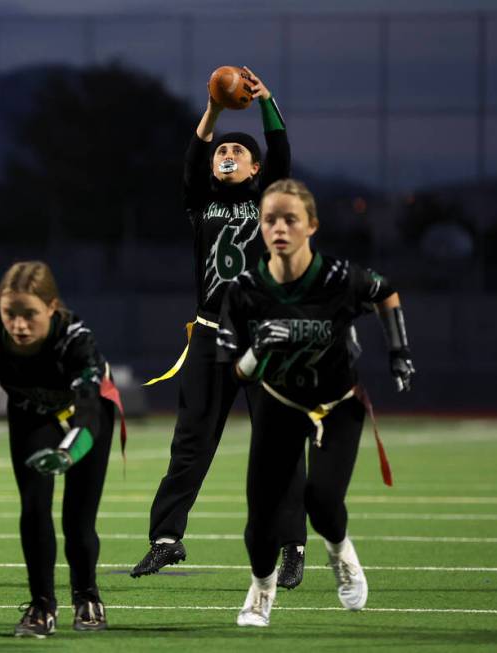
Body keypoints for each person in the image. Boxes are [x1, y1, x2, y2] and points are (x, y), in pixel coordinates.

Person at [132, 66, 308, 589]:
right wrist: (212, 108)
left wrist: (266, 101)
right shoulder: (201, 203)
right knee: (190, 440)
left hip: (264, 336)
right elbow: (191, 161)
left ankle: (292, 545)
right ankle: (165, 539)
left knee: (278, 443)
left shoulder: (267, 200)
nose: (224, 156)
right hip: (210, 335)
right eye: (219, 153)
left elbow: (281, 151)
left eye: (236, 153)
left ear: (256, 170)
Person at [217, 178, 415, 626]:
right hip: (277, 402)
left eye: (291, 219)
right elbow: (234, 371)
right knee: (262, 520)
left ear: (312, 226)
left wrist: (399, 350)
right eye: (270, 220)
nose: (279, 228)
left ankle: (341, 552)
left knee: (323, 501)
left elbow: (386, 292)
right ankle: (262, 589)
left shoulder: (340, 278)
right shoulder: (245, 288)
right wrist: (258, 350)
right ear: (261, 229)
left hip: (337, 402)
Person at [0, 261, 124, 638]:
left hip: (84, 414)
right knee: (33, 506)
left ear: (52, 307)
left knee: (78, 518)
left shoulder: (76, 342)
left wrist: (65, 455)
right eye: (11, 314)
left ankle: (87, 595)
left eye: (30, 315)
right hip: (31, 414)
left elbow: (90, 417)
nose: (20, 325)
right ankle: (42, 604)